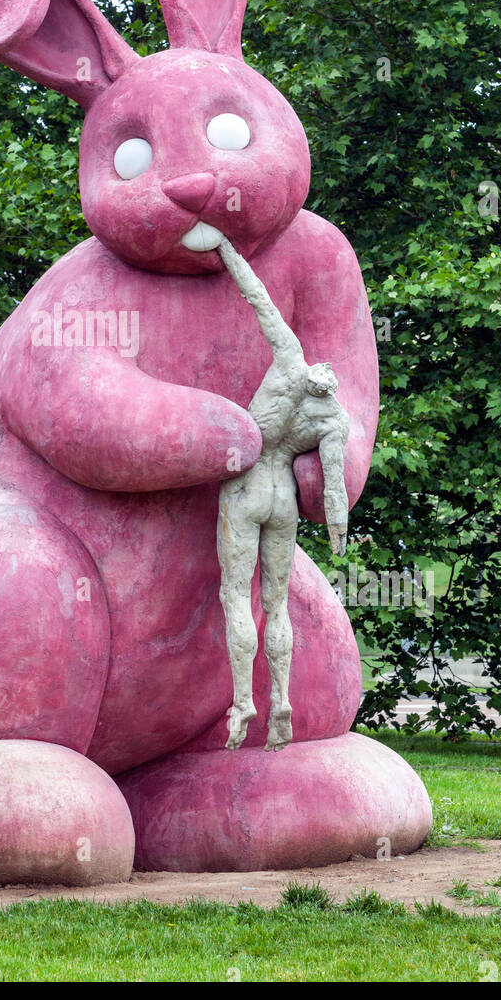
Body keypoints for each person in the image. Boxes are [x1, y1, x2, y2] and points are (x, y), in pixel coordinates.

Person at [217, 236, 350, 752]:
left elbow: (258, 297)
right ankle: (282, 699)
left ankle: (243, 701)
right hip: (284, 496)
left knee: (235, 595)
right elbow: (333, 481)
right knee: (277, 606)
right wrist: (337, 530)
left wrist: (226, 250)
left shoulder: (290, 359)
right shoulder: (332, 420)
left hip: (247, 485)